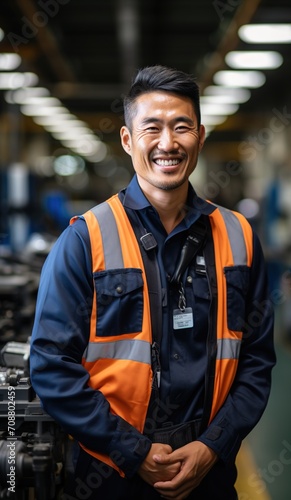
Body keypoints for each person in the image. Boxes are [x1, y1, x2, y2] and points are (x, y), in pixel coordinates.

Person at [30, 65, 276, 500]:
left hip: (209, 474)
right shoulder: (85, 241)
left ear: (199, 136)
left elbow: (256, 359)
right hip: (111, 477)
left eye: (182, 127)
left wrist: (211, 447)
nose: (168, 143)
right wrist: (132, 452)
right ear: (128, 140)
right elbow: (51, 366)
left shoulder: (239, 237)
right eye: (152, 128)